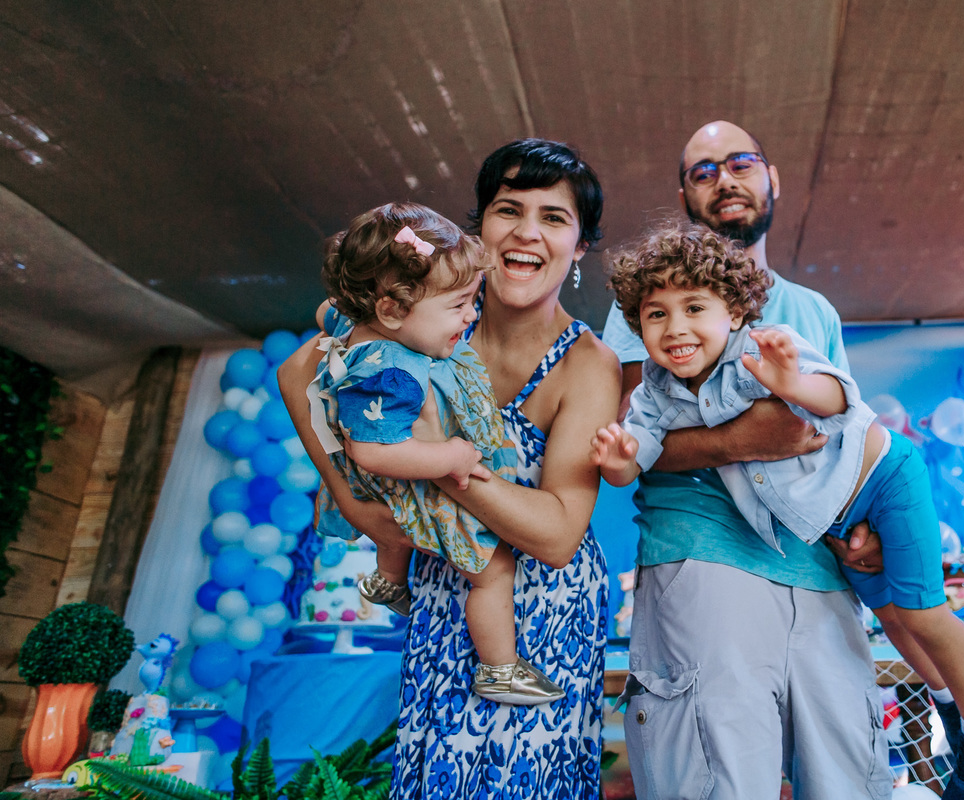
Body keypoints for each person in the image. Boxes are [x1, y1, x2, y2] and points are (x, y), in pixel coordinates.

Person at [595, 221, 964, 800]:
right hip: (829, 519)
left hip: (883, 477)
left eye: (694, 307)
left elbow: (840, 399)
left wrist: (793, 382)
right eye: (655, 315)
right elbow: (638, 459)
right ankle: (951, 705)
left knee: (921, 613)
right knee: (893, 616)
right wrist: (619, 459)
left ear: (733, 310)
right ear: (635, 325)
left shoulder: (760, 347)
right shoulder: (654, 391)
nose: (675, 328)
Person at [279, 139, 620, 798]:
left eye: (554, 217)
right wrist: (355, 508)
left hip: (540, 618)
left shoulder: (587, 363)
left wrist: (433, 460)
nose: (526, 232)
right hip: (444, 598)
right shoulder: (420, 318)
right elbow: (298, 372)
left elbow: (555, 535)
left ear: (579, 249)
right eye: (508, 209)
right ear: (479, 230)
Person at [601, 121, 891, 799]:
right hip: (705, 561)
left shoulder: (811, 310)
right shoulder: (648, 305)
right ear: (684, 194)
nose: (724, 179)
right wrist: (744, 438)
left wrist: (864, 530)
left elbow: (841, 433)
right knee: (717, 784)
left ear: (772, 179)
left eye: (740, 162)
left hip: (821, 575)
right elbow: (628, 431)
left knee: (850, 778)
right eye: (703, 171)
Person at [308, 201, 563, 705]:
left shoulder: (365, 327)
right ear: (391, 310)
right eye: (458, 306)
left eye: (473, 301)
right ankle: (499, 667)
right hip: (411, 475)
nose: (470, 315)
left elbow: (328, 312)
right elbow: (374, 453)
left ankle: (387, 580)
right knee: (493, 570)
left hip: (394, 478)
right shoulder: (394, 373)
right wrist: (449, 456)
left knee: (394, 532)